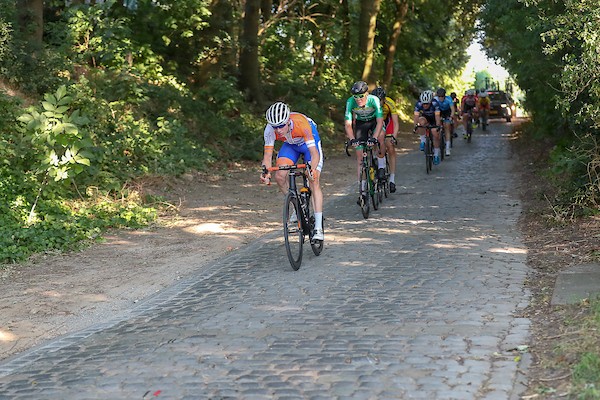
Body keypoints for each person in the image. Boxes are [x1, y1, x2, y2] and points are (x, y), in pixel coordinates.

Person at [260, 102, 324, 240]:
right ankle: (297, 205)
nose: (278, 130)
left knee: (313, 180)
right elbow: (267, 156)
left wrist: (312, 169)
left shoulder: (302, 124)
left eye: (281, 126)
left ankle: (318, 228)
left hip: (308, 146)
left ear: (288, 121)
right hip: (291, 146)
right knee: (280, 176)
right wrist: (265, 172)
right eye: (275, 127)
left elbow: (314, 154)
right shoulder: (269, 130)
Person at [344, 81, 385, 204]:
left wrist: (375, 137)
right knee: (360, 157)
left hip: (374, 122)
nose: (358, 99)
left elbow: (379, 122)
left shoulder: (374, 100)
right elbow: (348, 124)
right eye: (356, 96)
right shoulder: (350, 102)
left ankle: (381, 165)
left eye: (361, 96)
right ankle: (362, 190)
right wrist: (352, 139)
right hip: (361, 124)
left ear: (367, 94)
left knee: (381, 136)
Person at [371, 86, 399, 193]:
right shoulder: (370, 103)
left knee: (390, 146)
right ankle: (375, 158)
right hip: (374, 123)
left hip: (387, 123)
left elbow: (395, 123)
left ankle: (392, 179)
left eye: (380, 101)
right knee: (373, 140)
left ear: (384, 99)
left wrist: (394, 136)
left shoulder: (389, 102)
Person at [413, 90, 442, 165]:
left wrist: (438, 125)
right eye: (424, 104)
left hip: (434, 118)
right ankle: (423, 141)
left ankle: (436, 155)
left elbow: (437, 116)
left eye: (427, 104)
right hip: (425, 117)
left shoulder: (435, 103)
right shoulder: (419, 103)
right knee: (421, 123)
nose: (425, 105)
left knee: (435, 133)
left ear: (430, 102)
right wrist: (415, 126)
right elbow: (416, 116)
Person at [434, 87, 456, 156]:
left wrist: (451, 117)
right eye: (439, 96)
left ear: (444, 96)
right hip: (438, 112)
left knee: (447, 127)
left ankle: (447, 148)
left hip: (447, 112)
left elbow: (452, 110)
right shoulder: (435, 100)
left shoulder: (448, 99)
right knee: (437, 126)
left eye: (442, 96)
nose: (440, 98)